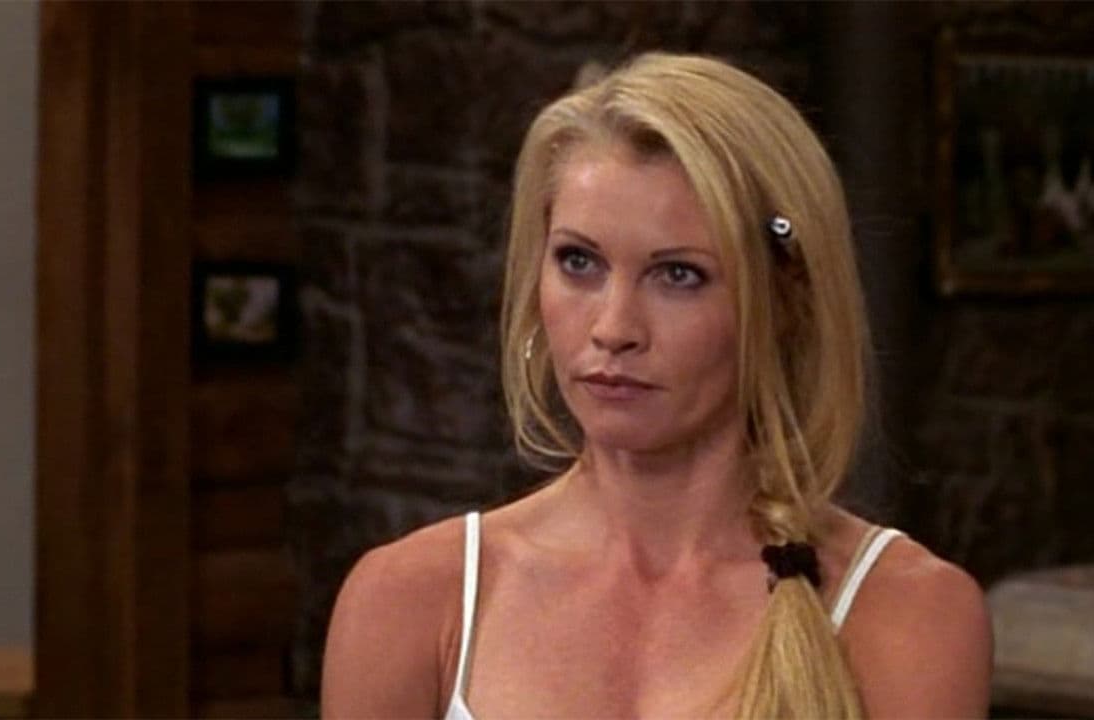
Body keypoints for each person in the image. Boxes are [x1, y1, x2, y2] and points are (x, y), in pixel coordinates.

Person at [321, 52, 991, 719]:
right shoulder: (412, 601)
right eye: (578, 262)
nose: (614, 328)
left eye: (678, 275)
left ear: (785, 299)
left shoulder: (908, 616)